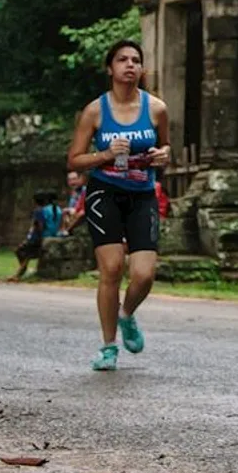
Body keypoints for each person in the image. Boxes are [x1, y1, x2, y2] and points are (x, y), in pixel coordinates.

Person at [65, 41, 170, 371]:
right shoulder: (95, 111)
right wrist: (106, 155)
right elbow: (74, 160)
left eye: (136, 60)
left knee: (144, 274)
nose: (130, 65)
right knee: (111, 269)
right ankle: (108, 346)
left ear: (142, 69)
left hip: (141, 193)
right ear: (110, 68)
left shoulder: (156, 108)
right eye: (122, 60)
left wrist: (164, 155)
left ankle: (127, 315)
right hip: (104, 193)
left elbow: (166, 147)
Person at [10, 189, 63, 281]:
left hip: (41, 236)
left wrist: (32, 238)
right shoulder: (58, 210)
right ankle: (21, 272)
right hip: (54, 235)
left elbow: (39, 227)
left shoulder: (40, 211)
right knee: (28, 254)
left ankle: (19, 273)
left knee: (23, 252)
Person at [60, 170, 87, 235]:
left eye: (74, 179)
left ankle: (67, 230)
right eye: (70, 180)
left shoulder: (85, 190)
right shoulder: (73, 193)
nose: (72, 182)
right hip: (74, 215)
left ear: (80, 179)